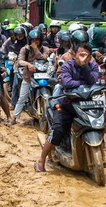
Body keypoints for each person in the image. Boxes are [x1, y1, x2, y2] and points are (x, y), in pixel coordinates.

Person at [35, 42, 98, 172]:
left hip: (86, 104)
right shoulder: (67, 65)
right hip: (66, 104)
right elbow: (67, 83)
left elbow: (93, 81)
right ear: (74, 54)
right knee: (58, 129)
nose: (83, 57)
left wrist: (85, 66)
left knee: (100, 121)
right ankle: (41, 160)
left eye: (87, 55)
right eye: (81, 54)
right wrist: (84, 83)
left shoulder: (93, 66)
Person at [12, 28, 50, 123]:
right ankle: (14, 117)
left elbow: (43, 58)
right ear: (30, 40)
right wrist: (28, 64)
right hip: (29, 77)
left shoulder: (45, 49)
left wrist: (36, 49)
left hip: (43, 75)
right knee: (22, 97)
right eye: (33, 40)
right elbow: (20, 60)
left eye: (37, 40)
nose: (35, 41)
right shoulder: (24, 49)